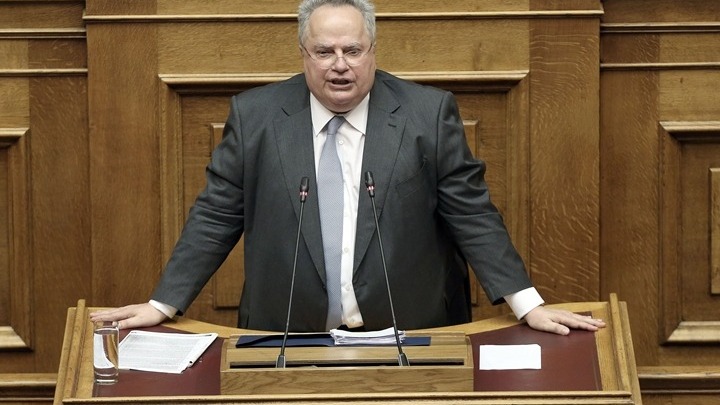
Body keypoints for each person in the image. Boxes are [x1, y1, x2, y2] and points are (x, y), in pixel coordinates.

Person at [91, 0, 605, 335]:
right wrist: (163, 305)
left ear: (373, 51)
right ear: (304, 54)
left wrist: (526, 304)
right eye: (325, 51)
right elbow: (216, 215)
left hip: (410, 335)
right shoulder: (256, 117)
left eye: (353, 50)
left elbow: (472, 214)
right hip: (285, 336)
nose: (340, 64)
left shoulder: (427, 114)